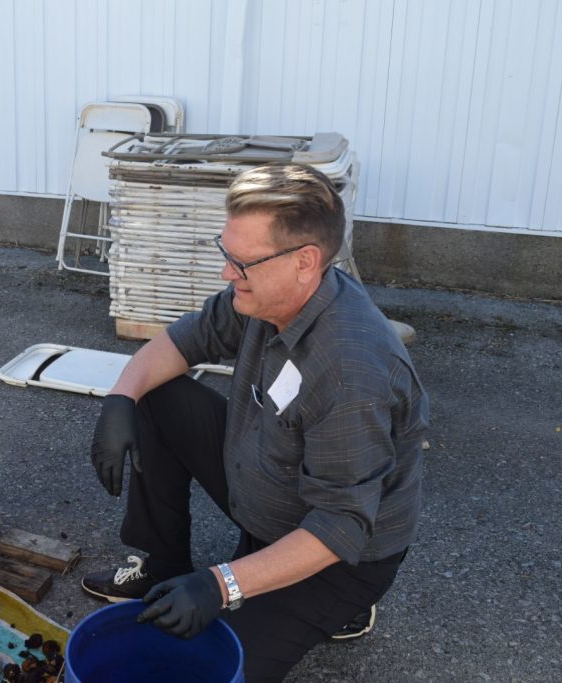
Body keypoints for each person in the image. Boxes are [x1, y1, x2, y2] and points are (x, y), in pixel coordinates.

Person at [81, 163, 429, 682]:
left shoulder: (350, 369)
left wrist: (220, 585)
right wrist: (120, 398)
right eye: (227, 255)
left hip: (336, 555)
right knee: (156, 395)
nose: (227, 273)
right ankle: (166, 566)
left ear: (305, 262)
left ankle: (334, 606)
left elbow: (338, 526)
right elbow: (183, 340)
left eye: (241, 262)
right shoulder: (262, 297)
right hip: (269, 479)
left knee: (213, 666)